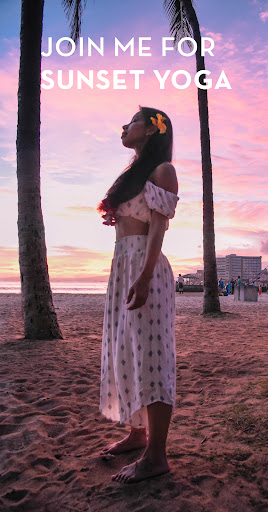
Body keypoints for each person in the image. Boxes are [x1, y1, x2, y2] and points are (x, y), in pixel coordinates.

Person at [97, 106, 179, 484]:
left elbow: (158, 229)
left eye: (130, 121)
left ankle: (156, 456)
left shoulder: (163, 170)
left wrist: (145, 276)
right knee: (126, 350)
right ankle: (136, 433)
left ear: (150, 129)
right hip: (123, 266)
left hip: (143, 265)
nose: (123, 126)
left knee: (151, 354)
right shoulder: (134, 173)